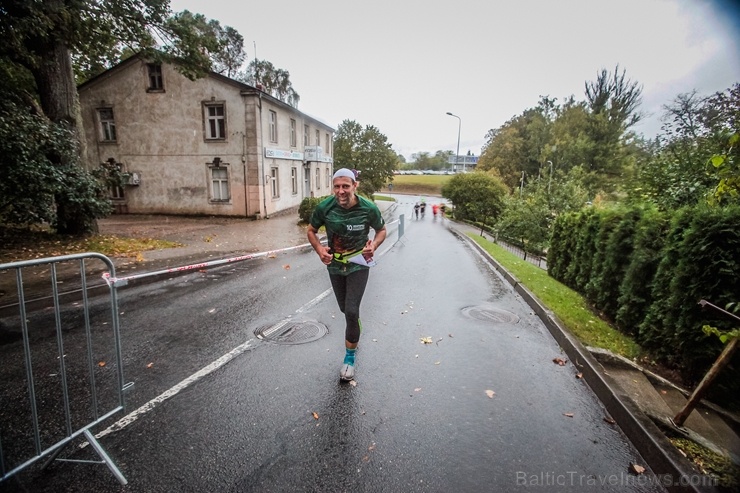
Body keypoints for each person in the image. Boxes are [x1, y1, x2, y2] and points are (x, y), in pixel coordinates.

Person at [307, 168, 387, 381]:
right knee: (345, 309)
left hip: (359, 262)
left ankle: (349, 359)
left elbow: (381, 230)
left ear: (354, 186)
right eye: (337, 186)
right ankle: (355, 324)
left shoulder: (368, 208)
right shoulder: (324, 207)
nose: (341, 191)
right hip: (335, 264)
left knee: (351, 310)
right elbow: (310, 230)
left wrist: (375, 246)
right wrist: (320, 250)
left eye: (345, 186)